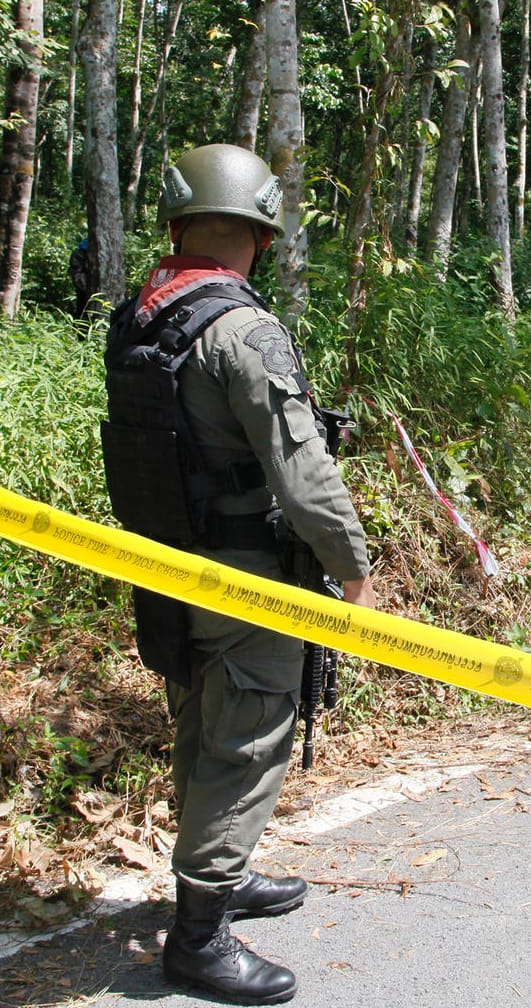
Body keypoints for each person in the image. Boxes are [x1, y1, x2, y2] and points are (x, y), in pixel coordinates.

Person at [102, 143, 376, 1004]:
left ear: (179, 227)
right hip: (246, 572)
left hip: (167, 560)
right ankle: (199, 935)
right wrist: (353, 565)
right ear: (258, 236)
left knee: (199, 722)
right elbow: (302, 471)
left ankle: (221, 873)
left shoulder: (143, 316)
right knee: (248, 736)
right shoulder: (243, 331)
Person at [69, 237, 94, 319]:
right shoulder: (79, 255)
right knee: (82, 307)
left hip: (86, 287)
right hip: (83, 288)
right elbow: (78, 276)